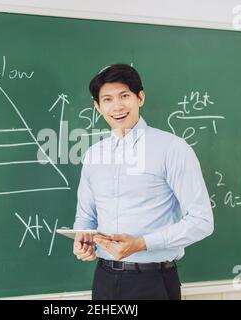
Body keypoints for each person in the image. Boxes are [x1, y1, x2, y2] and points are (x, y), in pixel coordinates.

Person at [73, 63, 214, 300]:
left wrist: (142, 244)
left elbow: (202, 221)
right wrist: (83, 241)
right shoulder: (93, 154)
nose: (117, 106)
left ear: (140, 97)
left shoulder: (172, 148)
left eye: (124, 96)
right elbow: (86, 216)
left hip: (152, 282)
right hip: (104, 279)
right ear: (97, 107)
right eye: (107, 99)